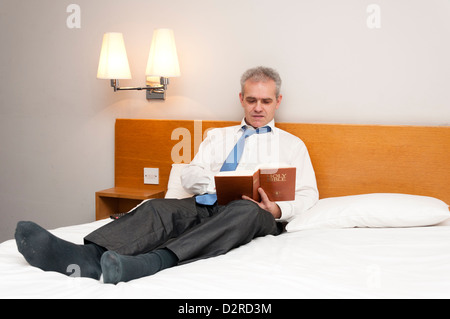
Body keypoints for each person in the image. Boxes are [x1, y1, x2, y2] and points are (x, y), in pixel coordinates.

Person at [14, 66, 319, 285]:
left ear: (277, 101)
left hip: (255, 215)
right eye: (251, 100)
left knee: (244, 209)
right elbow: (191, 176)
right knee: (157, 207)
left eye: (266, 101)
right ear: (241, 98)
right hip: (207, 203)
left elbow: (309, 195)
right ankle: (87, 257)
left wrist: (277, 208)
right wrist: (216, 182)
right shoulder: (217, 137)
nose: (258, 108)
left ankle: (151, 262)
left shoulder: (291, 145)